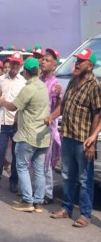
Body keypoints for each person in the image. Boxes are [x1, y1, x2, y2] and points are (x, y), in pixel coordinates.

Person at [48, 48, 101, 228]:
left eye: (81, 61)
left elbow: (98, 115)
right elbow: (63, 106)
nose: (77, 63)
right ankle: (66, 208)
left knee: (85, 179)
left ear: (90, 66)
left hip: (83, 140)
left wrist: (92, 139)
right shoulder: (72, 81)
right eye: (77, 60)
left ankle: (85, 214)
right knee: (67, 175)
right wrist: (50, 117)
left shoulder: (94, 85)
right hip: (68, 136)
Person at [0, 58, 50, 213]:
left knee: (21, 166)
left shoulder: (28, 89)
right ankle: (38, 201)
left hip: (27, 135)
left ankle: (27, 200)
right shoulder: (43, 87)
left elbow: (14, 106)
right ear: (38, 71)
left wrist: (3, 102)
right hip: (42, 135)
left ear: (25, 72)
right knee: (39, 170)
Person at [0, 52, 25, 193]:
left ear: (21, 65)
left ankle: (13, 181)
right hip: (2, 121)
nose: (15, 66)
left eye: (17, 63)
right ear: (9, 64)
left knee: (16, 154)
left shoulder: (23, 82)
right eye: (13, 63)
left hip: (15, 123)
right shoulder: (0, 80)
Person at [39, 48, 62, 204]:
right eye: (43, 59)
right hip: (35, 127)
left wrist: (50, 118)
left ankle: (47, 193)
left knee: (46, 161)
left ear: (54, 66)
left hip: (47, 127)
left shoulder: (56, 84)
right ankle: (36, 191)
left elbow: (61, 106)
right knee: (35, 160)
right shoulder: (38, 80)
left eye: (47, 60)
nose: (43, 62)